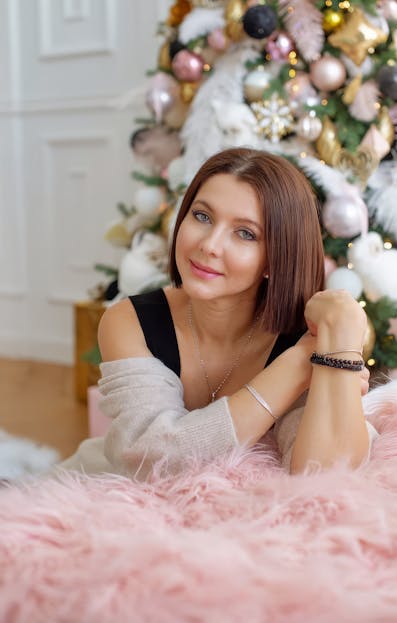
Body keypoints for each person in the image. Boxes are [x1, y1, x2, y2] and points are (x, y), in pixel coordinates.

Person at [59, 147, 376, 478]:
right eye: (202, 216)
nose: (210, 244)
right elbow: (151, 459)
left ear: (275, 259)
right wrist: (296, 367)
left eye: (245, 233)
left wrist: (344, 327)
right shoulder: (130, 321)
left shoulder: (301, 334)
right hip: (104, 499)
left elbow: (327, 474)